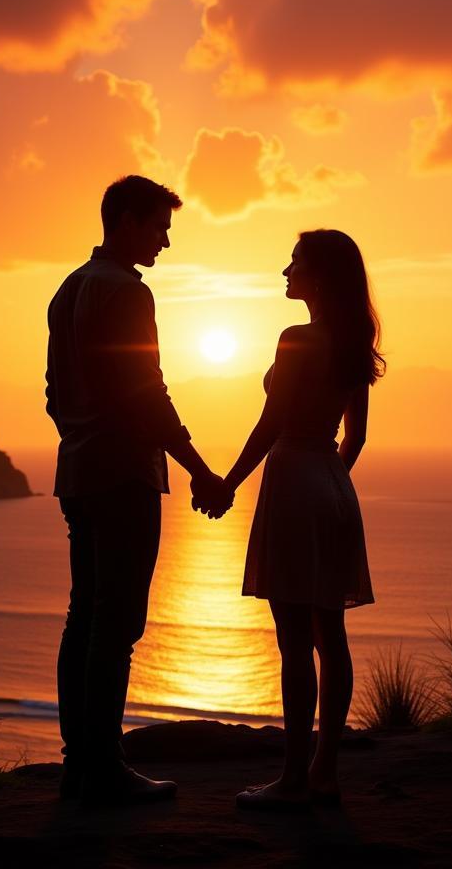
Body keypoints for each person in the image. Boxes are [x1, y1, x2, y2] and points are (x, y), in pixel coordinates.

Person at [45, 174, 230, 806]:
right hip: (123, 475)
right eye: (159, 227)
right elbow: (147, 393)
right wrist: (200, 467)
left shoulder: (68, 290)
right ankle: (103, 768)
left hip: (78, 474)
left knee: (83, 616)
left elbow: (52, 395)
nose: (166, 242)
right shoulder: (126, 292)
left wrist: (79, 435)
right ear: (126, 221)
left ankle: (79, 764)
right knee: (117, 623)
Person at [203, 229, 383, 810]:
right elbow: (355, 437)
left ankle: (291, 779)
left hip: (294, 483)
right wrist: (329, 482)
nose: (285, 270)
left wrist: (227, 483)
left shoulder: (296, 338)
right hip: (332, 483)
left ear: (320, 277)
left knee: (292, 641)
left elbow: (269, 423)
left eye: (296, 263)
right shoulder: (354, 342)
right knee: (331, 633)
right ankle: (325, 770)